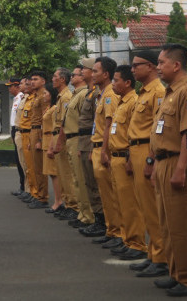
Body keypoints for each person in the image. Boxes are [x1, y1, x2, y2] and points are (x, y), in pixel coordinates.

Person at [150, 44, 187, 297]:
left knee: (184, 226)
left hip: (176, 161)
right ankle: (176, 273)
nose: (158, 67)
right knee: (168, 224)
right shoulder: (170, 92)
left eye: (162, 63)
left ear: (176, 65)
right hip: (162, 161)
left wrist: (181, 169)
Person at [127, 50, 168, 277]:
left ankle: (161, 257)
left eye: (137, 65)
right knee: (144, 206)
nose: (133, 70)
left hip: (146, 149)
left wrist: (151, 158)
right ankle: (152, 253)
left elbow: (157, 129)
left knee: (152, 209)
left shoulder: (158, 92)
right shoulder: (143, 92)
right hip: (135, 149)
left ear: (151, 66)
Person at [106, 65, 147, 261]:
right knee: (120, 202)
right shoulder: (121, 102)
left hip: (125, 157)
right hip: (115, 157)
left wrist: (130, 158)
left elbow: (133, 134)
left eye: (116, 80)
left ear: (127, 82)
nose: (113, 83)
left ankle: (137, 243)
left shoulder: (133, 102)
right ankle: (126, 239)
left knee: (131, 204)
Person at [56, 65, 95, 228]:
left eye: (75, 74)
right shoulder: (75, 95)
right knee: (77, 180)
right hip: (71, 138)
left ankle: (88, 216)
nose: (72, 77)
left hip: (79, 138)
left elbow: (86, 122)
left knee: (81, 179)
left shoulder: (84, 94)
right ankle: (82, 213)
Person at [89, 57, 122, 246]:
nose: (93, 74)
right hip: (96, 147)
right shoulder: (102, 94)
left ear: (106, 74)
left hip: (103, 148)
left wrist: (104, 150)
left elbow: (110, 125)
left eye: (95, 71)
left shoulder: (110, 95)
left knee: (112, 195)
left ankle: (117, 232)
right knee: (105, 195)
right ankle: (111, 230)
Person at [77, 58, 105, 237]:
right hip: (85, 139)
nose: (82, 73)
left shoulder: (97, 94)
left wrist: (95, 146)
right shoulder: (90, 93)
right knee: (87, 182)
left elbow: (98, 121)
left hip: (92, 139)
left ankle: (101, 221)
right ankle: (97, 219)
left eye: (85, 70)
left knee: (95, 184)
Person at [50, 67, 78, 219]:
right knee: (62, 174)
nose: (52, 79)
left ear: (62, 79)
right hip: (57, 136)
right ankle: (67, 204)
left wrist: (59, 142)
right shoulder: (61, 96)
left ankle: (72, 206)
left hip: (64, 138)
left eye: (55, 76)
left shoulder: (67, 97)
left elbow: (64, 122)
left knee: (67, 175)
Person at [25, 71, 49, 208]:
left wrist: (40, 139)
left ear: (43, 81)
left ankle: (43, 197)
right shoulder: (35, 96)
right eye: (32, 79)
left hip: (39, 131)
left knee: (39, 167)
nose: (32, 82)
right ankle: (38, 194)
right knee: (34, 166)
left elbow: (44, 118)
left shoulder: (44, 95)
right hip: (32, 130)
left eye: (36, 79)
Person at [41, 83, 62, 212]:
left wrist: (51, 147)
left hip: (51, 139)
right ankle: (58, 200)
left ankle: (59, 201)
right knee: (51, 173)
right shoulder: (49, 107)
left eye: (45, 93)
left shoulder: (54, 108)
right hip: (46, 139)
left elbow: (55, 128)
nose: (43, 95)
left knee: (55, 173)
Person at [6, 77, 26, 196]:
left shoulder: (21, 98)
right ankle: (22, 186)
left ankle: (24, 187)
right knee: (18, 159)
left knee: (21, 160)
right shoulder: (16, 98)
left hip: (19, 129)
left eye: (10, 86)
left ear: (17, 86)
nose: (9, 89)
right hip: (15, 129)